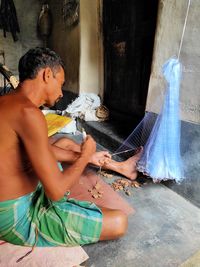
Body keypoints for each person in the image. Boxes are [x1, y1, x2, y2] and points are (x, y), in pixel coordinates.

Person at [0, 47, 142, 248]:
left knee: (65, 143)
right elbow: (56, 192)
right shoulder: (29, 113)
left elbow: (27, 151)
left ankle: (121, 167)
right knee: (119, 222)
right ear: (47, 75)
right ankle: (115, 167)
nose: (61, 92)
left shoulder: (8, 102)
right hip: (15, 215)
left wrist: (88, 157)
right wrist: (86, 156)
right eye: (61, 83)